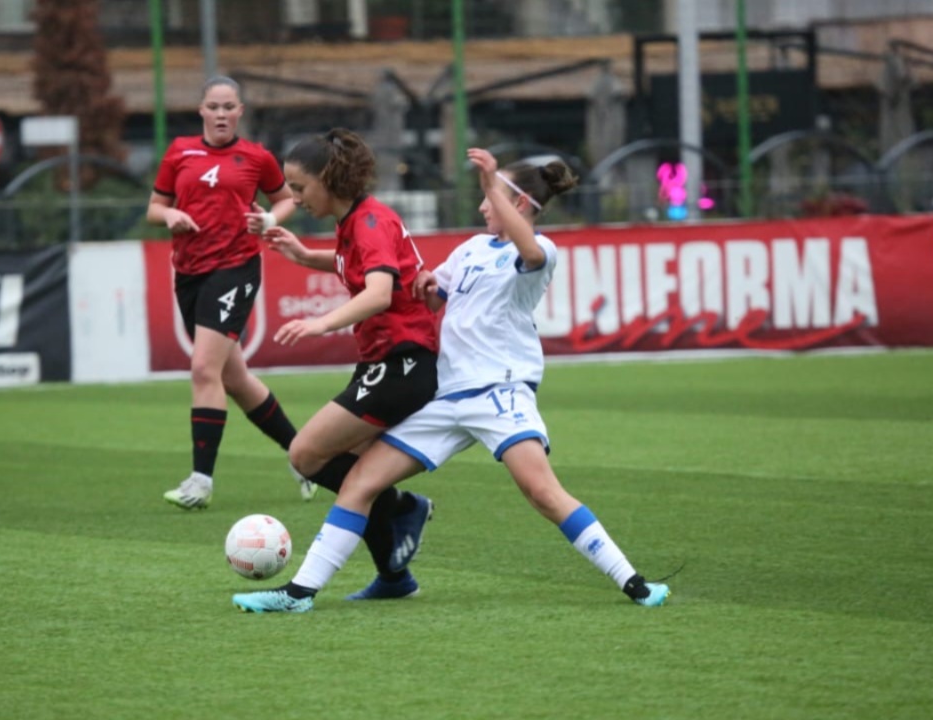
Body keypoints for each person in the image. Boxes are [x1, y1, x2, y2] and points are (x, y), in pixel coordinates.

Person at [233, 148, 672, 613]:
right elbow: (428, 290)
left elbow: (527, 249)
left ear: (518, 204)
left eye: (492, 198)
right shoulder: (470, 250)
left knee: (542, 492)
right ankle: (299, 594)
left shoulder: (542, 252)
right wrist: (423, 286)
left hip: (500, 393)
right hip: (445, 398)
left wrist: (490, 185)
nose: (483, 206)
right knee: (360, 483)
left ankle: (634, 583)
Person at [259, 128, 438, 600]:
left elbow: (379, 293)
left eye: (299, 187)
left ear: (328, 178)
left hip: (403, 364)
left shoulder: (369, 222)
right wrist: (303, 256)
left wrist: (320, 323)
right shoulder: (357, 222)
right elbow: (355, 265)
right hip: (388, 362)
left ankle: (402, 506)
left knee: (305, 454)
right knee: (356, 469)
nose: (293, 199)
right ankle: (395, 577)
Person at [146, 75, 311, 510]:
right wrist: (170, 217)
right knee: (233, 379)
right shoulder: (179, 152)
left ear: (240, 112)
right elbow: (154, 207)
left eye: (228, 107)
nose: (221, 114)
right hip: (188, 272)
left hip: (235, 269)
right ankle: (306, 457)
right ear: (201, 110)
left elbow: (287, 199)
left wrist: (270, 220)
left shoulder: (256, 157)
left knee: (203, 369)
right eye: (213, 107)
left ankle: (200, 481)